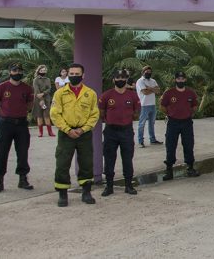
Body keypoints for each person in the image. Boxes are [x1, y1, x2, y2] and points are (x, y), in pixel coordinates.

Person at [50, 63, 99, 207]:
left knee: (86, 162)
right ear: (67, 75)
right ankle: (63, 194)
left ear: (83, 75)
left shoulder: (90, 93)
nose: (74, 76)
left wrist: (83, 129)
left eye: (77, 74)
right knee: (62, 163)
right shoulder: (59, 93)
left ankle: (86, 192)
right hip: (66, 133)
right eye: (71, 74)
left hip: (84, 133)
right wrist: (67, 129)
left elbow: (94, 114)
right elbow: (55, 114)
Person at [98, 69, 141, 197]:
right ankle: (109, 186)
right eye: (118, 78)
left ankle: (129, 185)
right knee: (109, 159)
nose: (120, 80)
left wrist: (126, 120)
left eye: (123, 78)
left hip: (126, 131)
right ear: (113, 80)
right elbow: (101, 113)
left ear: (126, 80)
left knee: (128, 158)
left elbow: (136, 112)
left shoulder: (132, 95)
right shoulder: (106, 95)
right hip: (111, 131)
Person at [0, 63, 35, 193]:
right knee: (1, 152)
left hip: (22, 124)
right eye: (15, 70)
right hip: (5, 124)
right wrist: (1, 113)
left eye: (19, 70)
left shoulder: (27, 88)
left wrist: (23, 112)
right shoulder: (2, 87)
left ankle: (23, 179)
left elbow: (30, 104)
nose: (17, 72)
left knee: (23, 152)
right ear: (10, 72)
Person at [160, 72, 200, 181]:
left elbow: (195, 106)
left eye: (182, 79)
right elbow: (162, 106)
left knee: (188, 144)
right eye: (178, 79)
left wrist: (189, 113)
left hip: (187, 123)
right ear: (175, 80)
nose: (180, 81)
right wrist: (169, 113)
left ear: (185, 80)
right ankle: (169, 170)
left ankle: (190, 168)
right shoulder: (169, 93)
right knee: (170, 145)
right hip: (173, 123)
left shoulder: (190, 93)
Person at [136, 66, 162, 148]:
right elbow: (145, 92)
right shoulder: (140, 81)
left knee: (152, 123)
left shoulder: (153, 80)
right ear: (143, 72)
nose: (148, 73)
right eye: (146, 71)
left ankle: (153, 140)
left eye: (150, 72)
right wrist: (153, 89)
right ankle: (140, 141)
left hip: (152, 104)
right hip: (144, 105)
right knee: (142, 123)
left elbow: (158, 91)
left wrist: (149, 88)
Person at [32, 65, 55, 137]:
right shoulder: (35, 80)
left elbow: (49, 88)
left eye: (44, 70)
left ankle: (50, 132)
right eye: (41, 70)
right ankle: (40, 132)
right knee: (39, 115)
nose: (43, 72)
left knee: (47, 115)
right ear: (38, 71)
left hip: (47, 98)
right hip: (38, 99)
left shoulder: (48, 79)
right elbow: (36, 89)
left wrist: (43, 93)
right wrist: (41, 99)